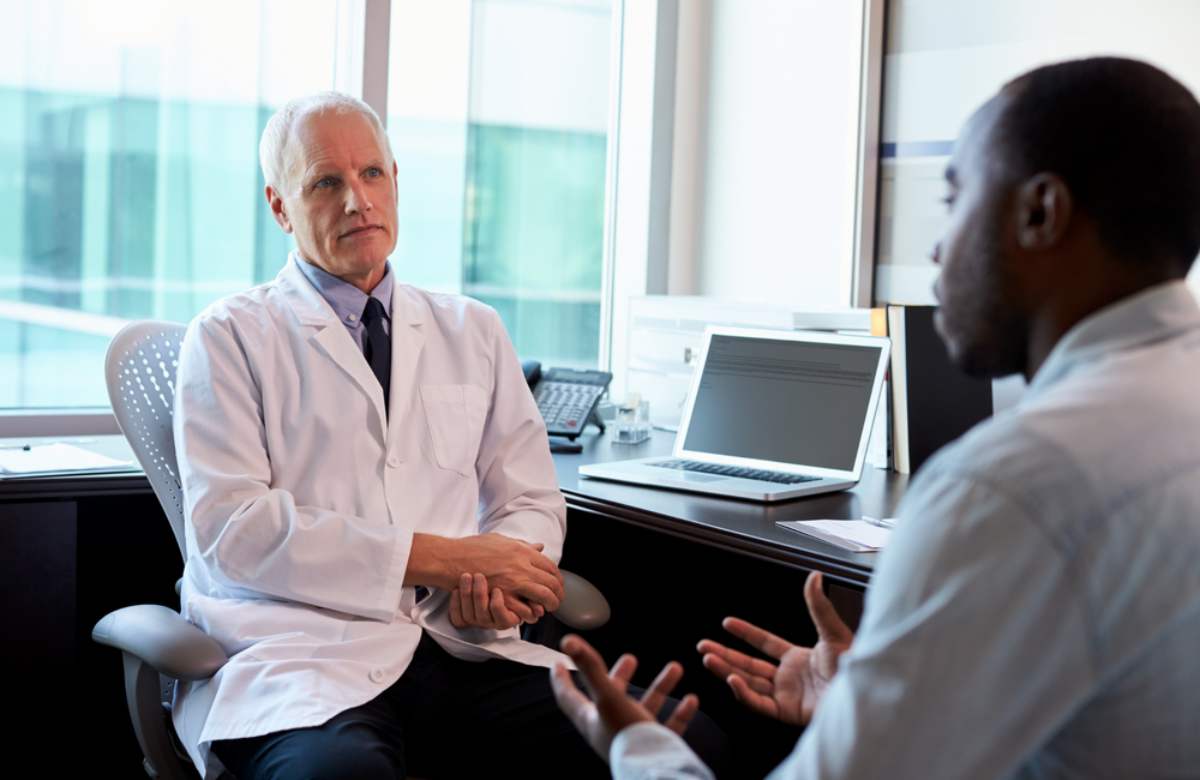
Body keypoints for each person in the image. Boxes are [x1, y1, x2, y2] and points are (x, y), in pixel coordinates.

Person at [551, 56, 1200, 779]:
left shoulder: (1009, 485)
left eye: (955, 199)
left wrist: (639, 750)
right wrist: (888, 698)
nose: (936, 247)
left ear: (1040, 213)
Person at [172, 92, 727, 780]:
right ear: (280, 206)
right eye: (325, 183)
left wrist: (503, 580)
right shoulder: (227, 336)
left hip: (461, 642)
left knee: (689, 746)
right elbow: (234, 534)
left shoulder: (473, 329)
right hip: (305, 658)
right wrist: (445, 558)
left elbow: (529, 499)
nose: (358, 201)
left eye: (372, 174)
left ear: (395, 181)